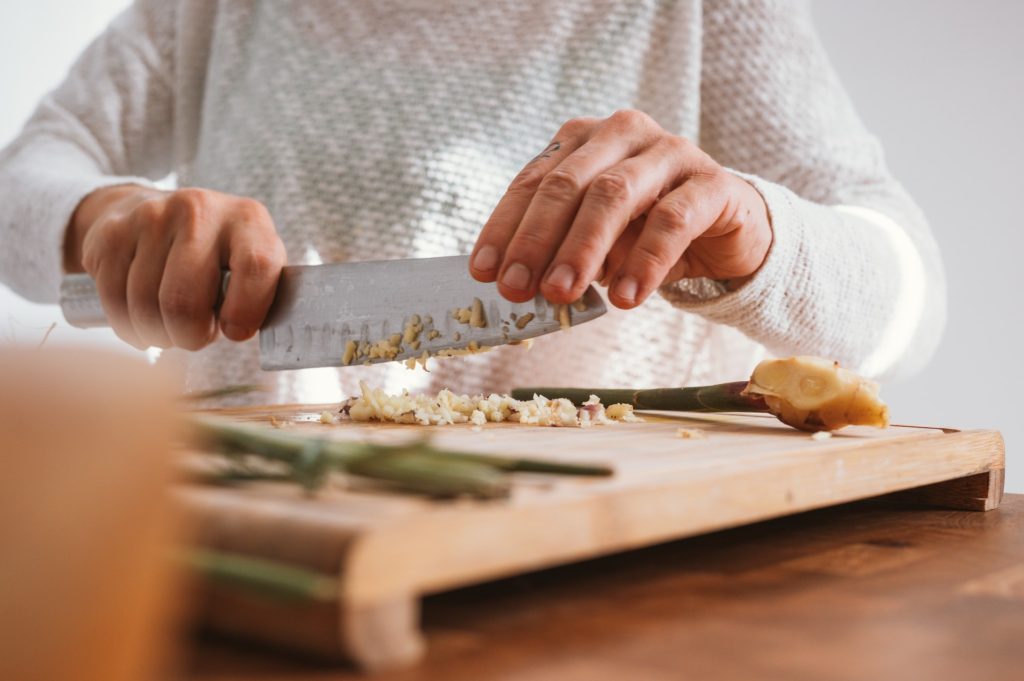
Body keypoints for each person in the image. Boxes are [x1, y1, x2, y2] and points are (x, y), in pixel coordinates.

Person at [0, 1, 945, 404]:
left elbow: (912, 302)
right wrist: (100, 218)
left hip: (601, 581)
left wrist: (763, 237)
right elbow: (23, 177)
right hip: (245, 554)